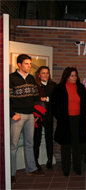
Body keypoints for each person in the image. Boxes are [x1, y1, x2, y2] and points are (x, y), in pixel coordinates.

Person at [10, 54, 45, 183]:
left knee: (29, 144)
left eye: (30, 63)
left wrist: (36, 114)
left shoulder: (31, 78)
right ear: (19, 65)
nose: (29, 66)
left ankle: (31, 168)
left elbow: (35, 98)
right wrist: (12, 113)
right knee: (13, 146)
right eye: (26, 63)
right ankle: (11, 172)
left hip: (30, 115)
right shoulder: (11, 78)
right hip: (17, 116)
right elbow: (7, 99)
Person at [52, 67, 86, 176]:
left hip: (78, 120)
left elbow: (84, 104)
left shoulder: (81, 87)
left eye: (75, 75)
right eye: (72, 75)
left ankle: (77, 168)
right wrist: (60, 117)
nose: (74, 78)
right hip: (65, 120)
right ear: (67, 76)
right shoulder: (59, 88)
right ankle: (66, 169)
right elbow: (54, 106)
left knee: (77, 145)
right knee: (66, 146)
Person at [33, 66, 56, 170]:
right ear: (39, 74)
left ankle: (50, 160)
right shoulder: (34, 86)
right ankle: (35, 162)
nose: (45, 75)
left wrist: (46, 98)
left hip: (49, 115)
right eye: (43, 73)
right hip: (37, 116)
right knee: (36, 139)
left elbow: (57, 99)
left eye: (47, 73)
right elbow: (33, 100)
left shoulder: (53, 85)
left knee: (49, 139)